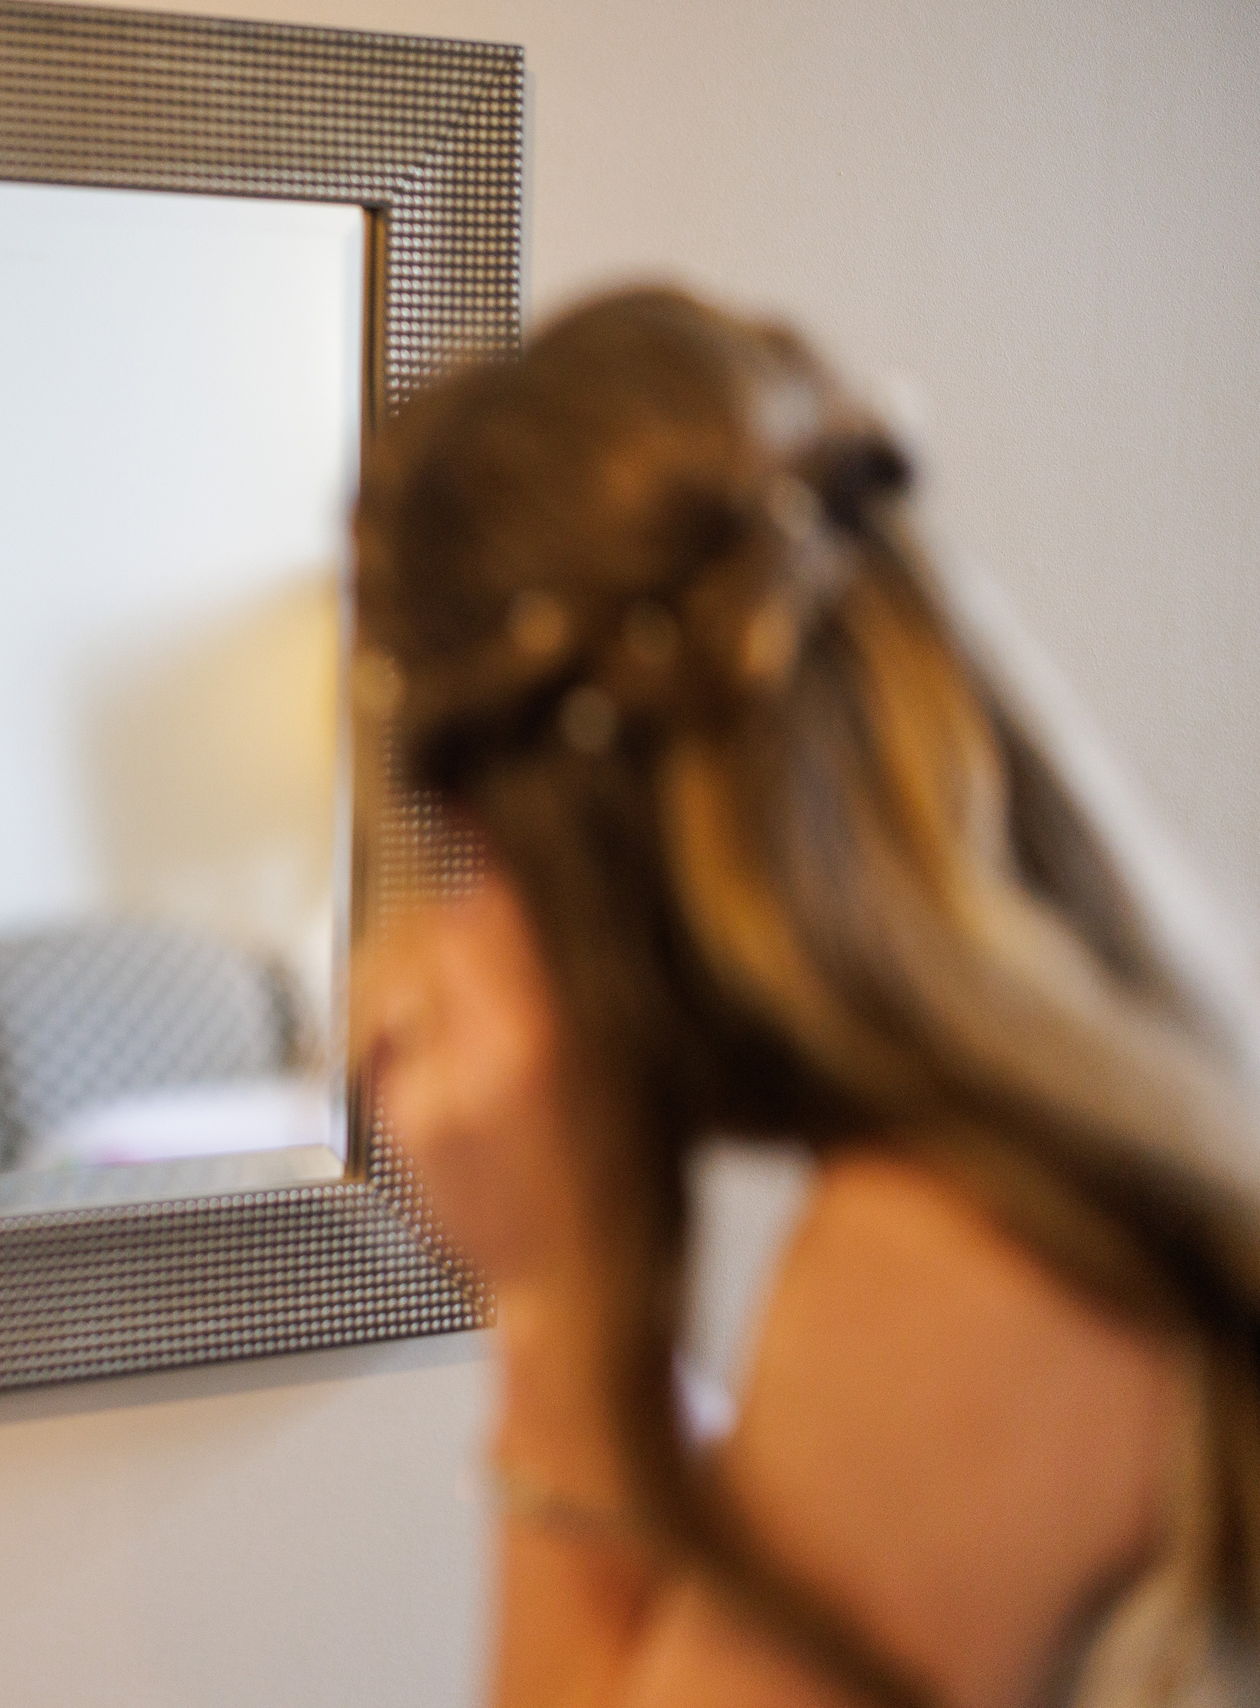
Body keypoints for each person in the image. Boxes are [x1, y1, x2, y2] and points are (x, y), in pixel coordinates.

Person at [348, 288, 1260, 1707]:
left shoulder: (956, 1262)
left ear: (543, 834)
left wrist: (555, 1300)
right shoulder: (1099, 1121)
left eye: (464, 853)